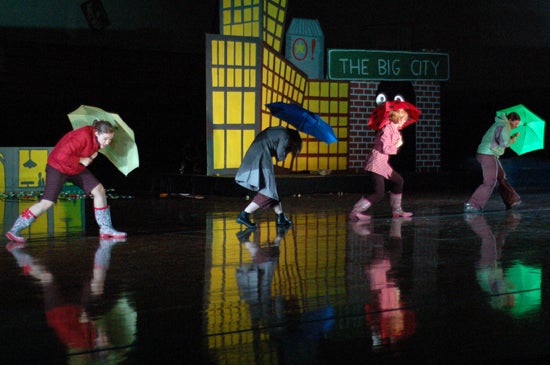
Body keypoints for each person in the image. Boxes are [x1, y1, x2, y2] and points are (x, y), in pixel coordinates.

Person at [5, 120, 127, 242]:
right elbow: (61, 156)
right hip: (57, 167)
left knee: (99, 190)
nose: (107, 142)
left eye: (110, 139)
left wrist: (90, 156)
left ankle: (105, 228)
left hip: (74, 169)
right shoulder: (82, 136)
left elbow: (84, 156)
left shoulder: (97, 141)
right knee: (47, 202)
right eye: (105, 139)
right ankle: (14, 230)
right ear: (96, 132)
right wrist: (82, 159)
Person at [349, 108, 413, 221]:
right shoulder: (387, 128)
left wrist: (398, 142)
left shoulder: (394, 129)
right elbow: (386, 148)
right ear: (399, 118)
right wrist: (398, 144)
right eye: (404, 120)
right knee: (379, 193)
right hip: (377, 162)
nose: (404, 122)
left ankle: (397, 210)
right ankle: (355, 211)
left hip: (383, 163)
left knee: (398, 180)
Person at [235, 126, 302, 229]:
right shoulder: (285, 136)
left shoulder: (278, 130)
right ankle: (244, 214)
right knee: (268, 193)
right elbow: (280, 156)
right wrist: (288, 150)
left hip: (257, 153)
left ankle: (281, 217)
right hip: (261, 156)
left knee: (271, 190)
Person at [464, 112, 521, 212]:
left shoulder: (501, 124)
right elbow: (504, 143)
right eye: (516, 124)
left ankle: (512, 200)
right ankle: (473, 205)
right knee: (490, 181)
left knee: (501, 177)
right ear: (510, 120)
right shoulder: (505, 125)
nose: (516, 126)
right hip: (488, 154)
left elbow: (500, 140)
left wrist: (511, 137)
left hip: (487, 154)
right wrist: (514, 138)